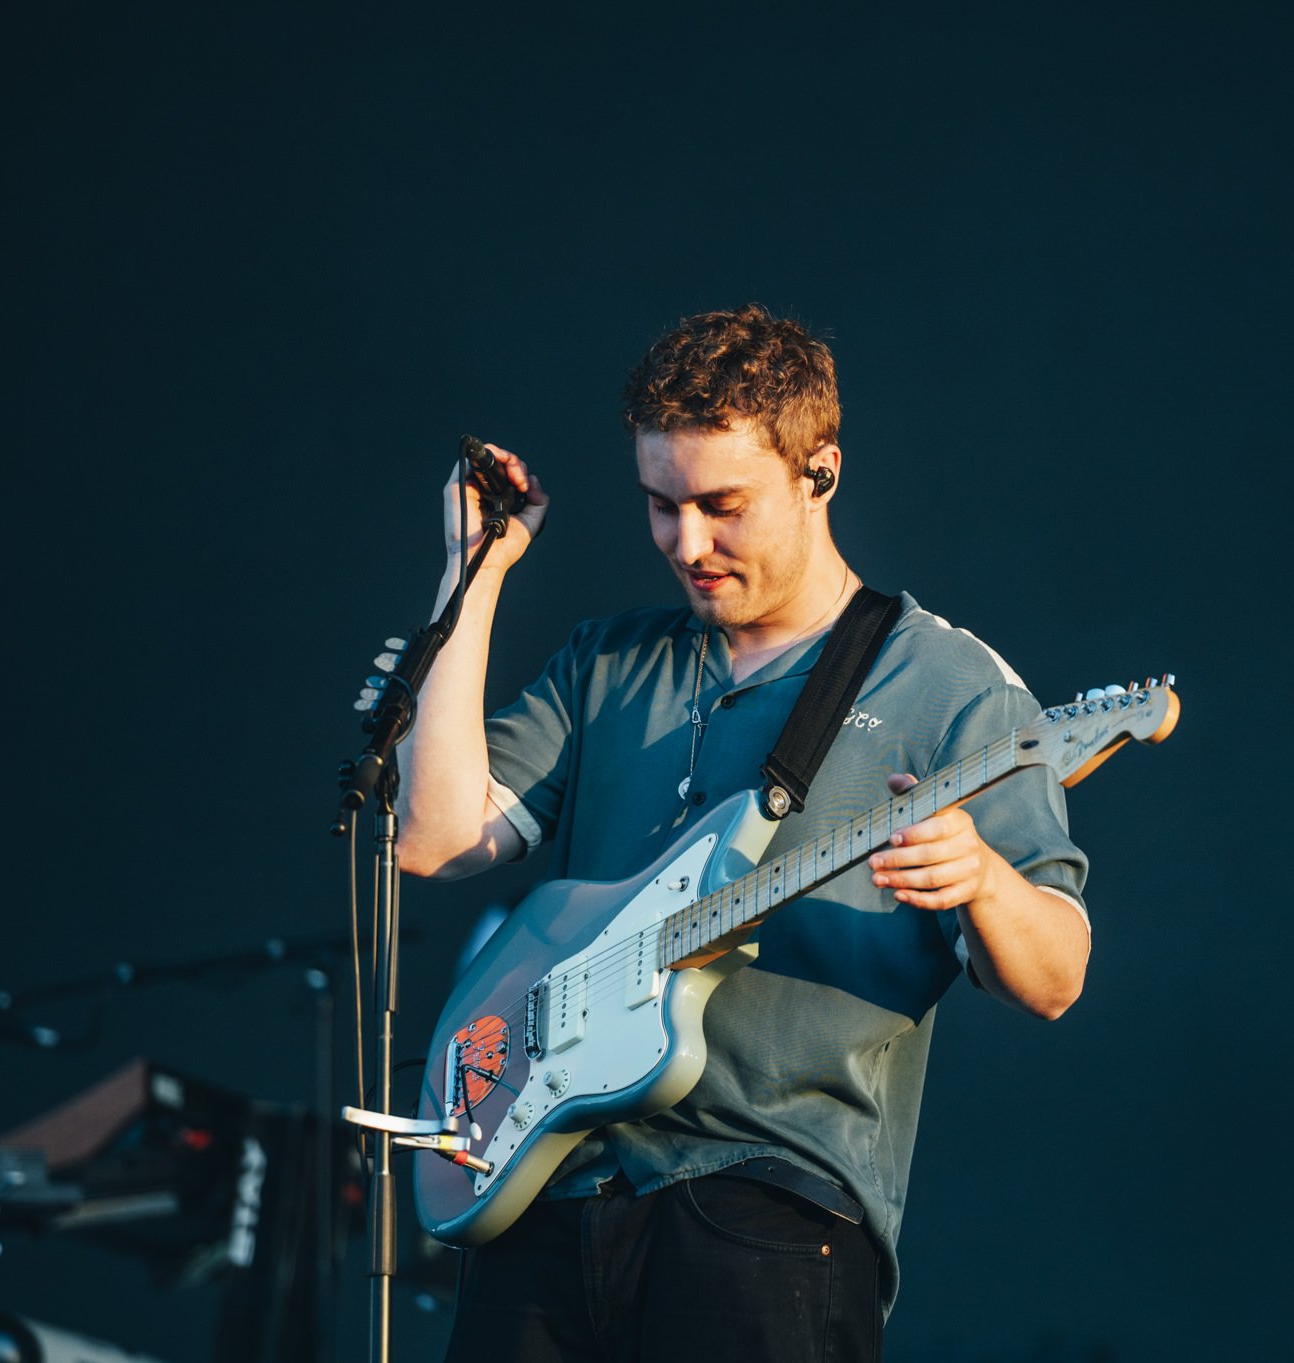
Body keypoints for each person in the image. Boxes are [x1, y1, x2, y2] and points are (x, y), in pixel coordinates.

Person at [396, 304, 1091, 1362]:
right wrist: (471, 574)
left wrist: (984, 880)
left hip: (763, 1209)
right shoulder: (610, 659)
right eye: (660, 505)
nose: (687, 543)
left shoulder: (949, 686)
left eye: (722, 505)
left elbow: (1056, 976)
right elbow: (432, 839)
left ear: (821, 472)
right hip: (546, 1195)